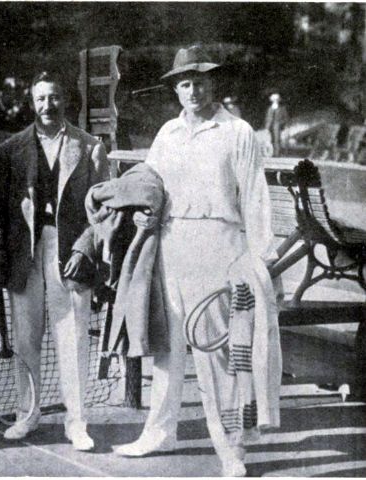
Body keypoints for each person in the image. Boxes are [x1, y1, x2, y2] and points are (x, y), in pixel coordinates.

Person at [113, 45, 282, 477]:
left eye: (200, 80)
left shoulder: (238, 131)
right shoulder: (167, 134)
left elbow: (256, 199)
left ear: (213, 82)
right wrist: (139, 208)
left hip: (219, 246)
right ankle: (159, 431)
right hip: (171, 245)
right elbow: (149, 184)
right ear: (176, 89)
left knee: (221, 357)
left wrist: (257, 260)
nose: (193, 89)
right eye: (184, 82)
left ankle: (232, 452)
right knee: (167, 350)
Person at [0, 71, 108, 450]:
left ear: (64, 101)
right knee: (26, 339)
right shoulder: (9, 151)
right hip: (25, 256)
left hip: (71, 254)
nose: (47, 106)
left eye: (53, 98)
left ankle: (77, 421)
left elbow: (105, 211)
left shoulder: (89, 147)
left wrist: (86, 245)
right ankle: (27, 414)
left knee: (73, 339)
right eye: (40, 99)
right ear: (32, 102)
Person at [264, 92, 289, 156]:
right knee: (271, 140)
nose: (275, 101)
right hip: (270, 126)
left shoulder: (282, 108)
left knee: (277, 140)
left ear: (278, 100)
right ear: (272, 100)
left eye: (276, 99)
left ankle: (277, 153)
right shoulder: (270, 108)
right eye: (274, 99)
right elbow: (267, 118)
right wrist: (266, 128)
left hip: (278, 125)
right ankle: (272, 153)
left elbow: (285, 118)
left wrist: (283, 125)